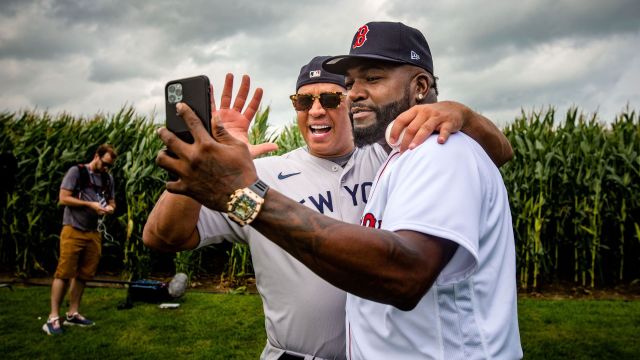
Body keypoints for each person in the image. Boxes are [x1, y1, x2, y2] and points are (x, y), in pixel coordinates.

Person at [149, 52, 514, 360]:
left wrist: (462, 114)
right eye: (304, 102)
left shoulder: (391, 158)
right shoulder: (255, 176)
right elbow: (164, 236)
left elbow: (495, 154)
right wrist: (201, 164)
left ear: (352, 102)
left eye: (331, 98)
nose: (316, 110)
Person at [43, 144, 117, 335]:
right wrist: (89, 205)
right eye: (105, 163)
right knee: (64, 272)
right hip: (73, 229)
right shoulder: (77, 172)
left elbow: (112, 202)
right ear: (96, 156)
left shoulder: (108, 178)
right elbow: (63, 198)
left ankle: (73, 313)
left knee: (84, 274)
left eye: (110, 166)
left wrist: (109, 209)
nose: (106, 168)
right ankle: (52, 318)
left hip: (94, 232)